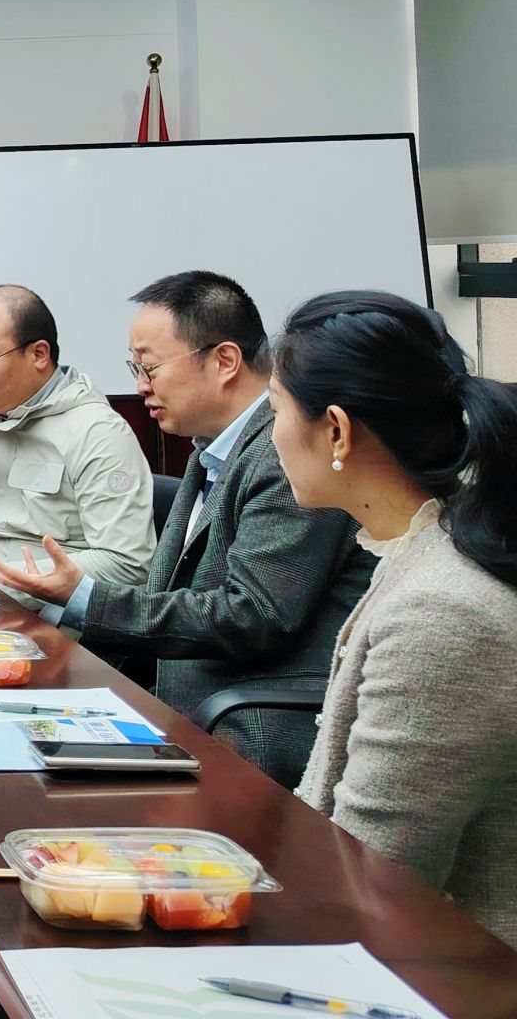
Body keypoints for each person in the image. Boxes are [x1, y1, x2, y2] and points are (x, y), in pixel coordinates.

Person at [0, 272, 370, 784]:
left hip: (243, 727)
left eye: (149, 367)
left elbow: (253, 616)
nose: (140, 386)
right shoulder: (211, 449)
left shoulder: (285, 455)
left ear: (224, 361)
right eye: (135, 368)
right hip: (176, 703)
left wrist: (82, 597)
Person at [267, 290, 517, 945]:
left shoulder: (442, 611)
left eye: (275, 410)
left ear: (337, 431)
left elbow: (371, 880)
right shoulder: (423, 551)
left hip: (448, 976)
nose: (272, 436)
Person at [0, 284, 154, 599]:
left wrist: (2, 578)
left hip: (48, 610)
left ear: (39, 354)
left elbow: (127, 563)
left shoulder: (97, 432)